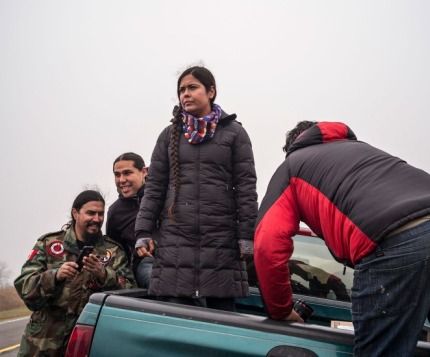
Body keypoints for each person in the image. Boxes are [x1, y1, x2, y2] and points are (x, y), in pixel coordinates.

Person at [254, 121, 430, 356]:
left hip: (396, 238)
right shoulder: (364, 151)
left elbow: (268, 244)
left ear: (292, 147)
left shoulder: (292, 166)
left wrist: (282, 311)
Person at [135, 65, 257, 311]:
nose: (185, 94)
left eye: (192, 87)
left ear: (211, 91)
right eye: (181, 90)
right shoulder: (168, 136)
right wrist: (143, 232)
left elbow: (246, 188)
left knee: (222, 325)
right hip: (175, 241)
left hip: (221, 242)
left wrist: (246, 236)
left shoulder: (235, 134)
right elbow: (154, 188)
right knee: (178, 323)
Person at [15, 190, 136, 356]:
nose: (97, 219)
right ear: (75, 213)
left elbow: (131, 293)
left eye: (101, 214)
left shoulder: (113, 251)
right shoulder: (49, 244)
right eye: (90, 213)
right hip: (43, 344)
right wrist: (55, 276)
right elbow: (25, 287)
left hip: (88, 343)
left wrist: (104, 275)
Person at [106, 152, 154, 288]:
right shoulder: (115, 212)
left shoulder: (162, 196)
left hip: (176, 257)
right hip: (146, 263)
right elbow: (115, 250)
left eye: (127, 173)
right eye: (117, 175)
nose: (121, 180)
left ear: (143, 172)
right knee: (158, 283)